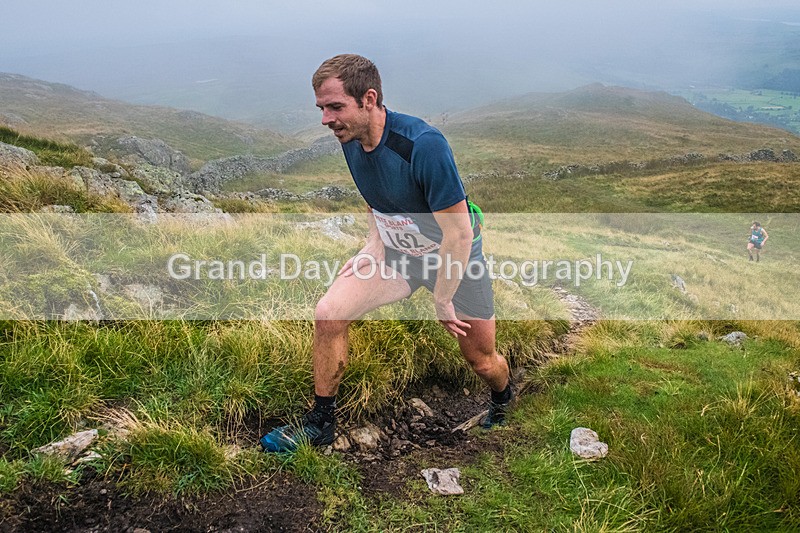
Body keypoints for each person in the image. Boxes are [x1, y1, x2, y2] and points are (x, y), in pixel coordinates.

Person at [260, 54, 512, 452]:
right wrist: (373, 247)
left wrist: (442, 297)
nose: (326, 119)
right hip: (399, 255)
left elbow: (459, 235)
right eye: (322, 109)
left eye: (335, 107)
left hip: (454, 259)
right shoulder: (351, 138)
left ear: (369, 99)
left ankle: (502, 399)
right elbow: (375, 199)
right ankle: (320, 424)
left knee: (482, 360)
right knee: (329, 314)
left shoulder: (423, 146)